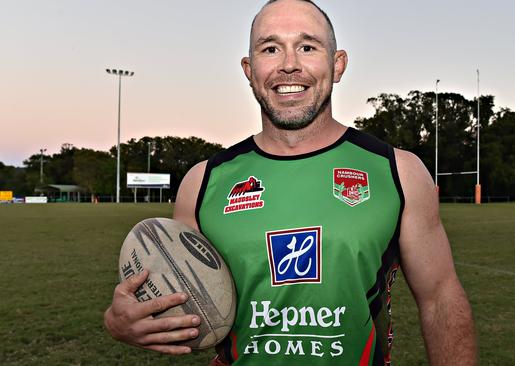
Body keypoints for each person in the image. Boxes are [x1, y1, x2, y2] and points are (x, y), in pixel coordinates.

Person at [104, 0, 477, 365]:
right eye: (270, 48)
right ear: (249, 70)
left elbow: (440, 297)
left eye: (307, 46)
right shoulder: (203, 182)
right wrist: (120, 320)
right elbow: (178, 290)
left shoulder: (398, 171)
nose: (289, 65)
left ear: (337, 64)